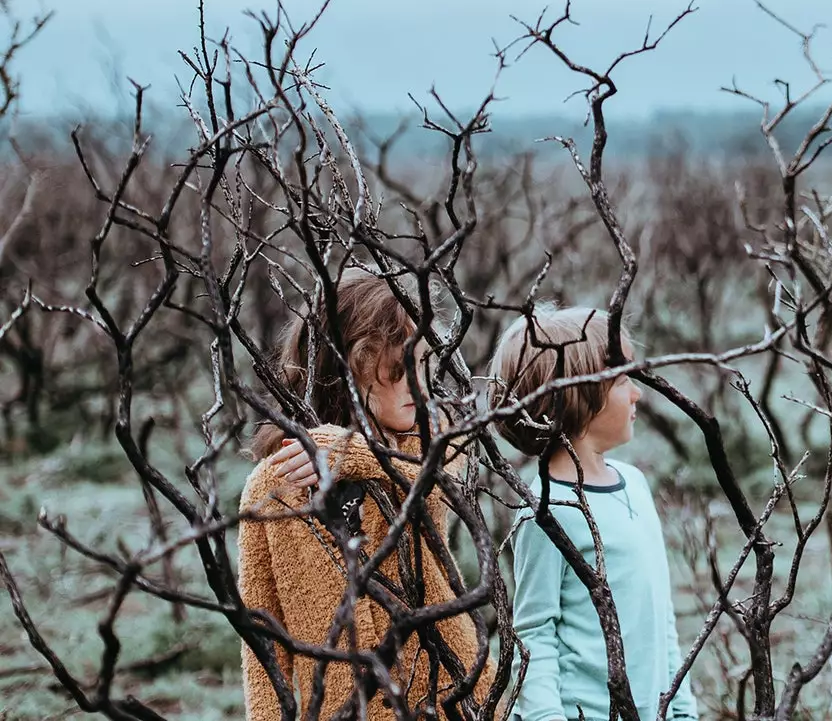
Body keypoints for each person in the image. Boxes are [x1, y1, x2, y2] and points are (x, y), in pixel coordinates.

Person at [237, 270, 487, 721]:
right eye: (398, 368)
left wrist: (355, 453)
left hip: (450, 693)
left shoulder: (431, 438)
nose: (419, 383)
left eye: (423, 364)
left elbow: (441, 467)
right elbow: (261, 639)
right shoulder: (273, 485)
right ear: (351, 366)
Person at [491, 307, 699, 721]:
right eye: (623, 381)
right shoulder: (545, 512)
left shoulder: (635, 483)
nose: (638, 392)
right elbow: (535, 633)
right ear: (579, 397)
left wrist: (680, 707)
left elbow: (660, 613)